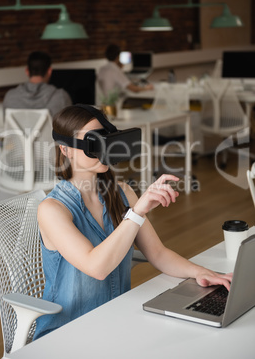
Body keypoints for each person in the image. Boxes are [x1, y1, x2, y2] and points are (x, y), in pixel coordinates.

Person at [33, 104, 232, 340]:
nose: (104, 148)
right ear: (66, 150)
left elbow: (157, 253)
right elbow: (96, 267)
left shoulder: (122, 193)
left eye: (107, 138)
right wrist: (136, 213)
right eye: (94, 142)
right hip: (66, 332)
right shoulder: (52, 209)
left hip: (114, 321)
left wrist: (203, 273)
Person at [3, 51, 72, 118]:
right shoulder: (61, 96)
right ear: (49, 71)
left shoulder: (10, 96)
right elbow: (69, 126)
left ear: (27, 71)